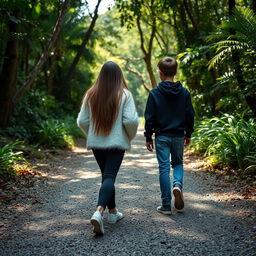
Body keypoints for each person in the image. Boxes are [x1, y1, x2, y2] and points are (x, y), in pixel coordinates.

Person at [77, 61, 138, 235]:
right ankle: (99, 211)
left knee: (106, 176)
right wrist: (129, 136)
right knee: (110, 176)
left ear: (101, 76)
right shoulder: (125, 94)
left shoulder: (91, 94)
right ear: (119, 76)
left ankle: (113, 213)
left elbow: (82, 121)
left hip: (97, 144)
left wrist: (91, 133)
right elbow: (131, 121)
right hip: (116, 143)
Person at [144, 56, 195, 215]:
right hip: (178, 135)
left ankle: (166, 205)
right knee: (178, 163)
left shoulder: (154, 93)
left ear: (160, 73)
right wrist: (188, 133)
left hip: (162, 137)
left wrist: (148, 136)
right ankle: (177, 185)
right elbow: (190, 115)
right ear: (176, 72)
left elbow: (149, 117)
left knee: (164, 168)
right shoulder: (184, 92)